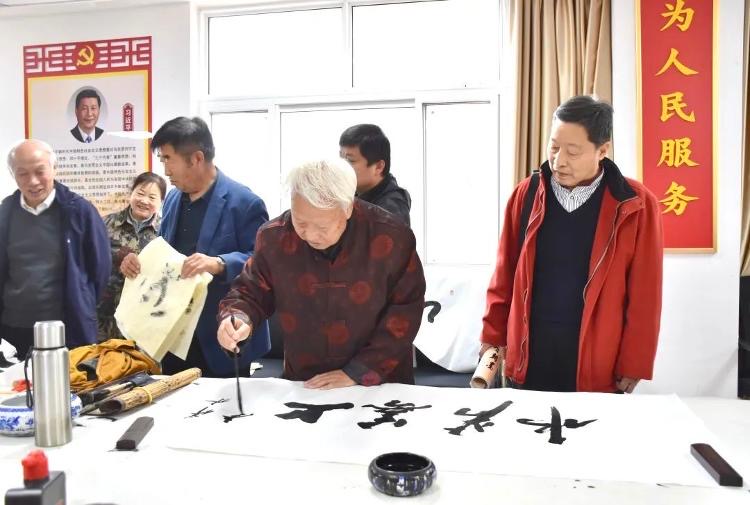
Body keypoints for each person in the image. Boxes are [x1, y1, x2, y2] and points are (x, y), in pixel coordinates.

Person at [480, 95, 663, 393]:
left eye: (573, 152)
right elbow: (504, 274)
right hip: (530, 353)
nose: (559, 161)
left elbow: (645, 293)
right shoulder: (526, 195)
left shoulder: (635, 204)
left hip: (597, 360)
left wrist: (635, 361)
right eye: (554, 147)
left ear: (602, 150)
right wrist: (492, 336)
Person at [217, 159, 426, 390]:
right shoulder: (274, 237)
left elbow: (405, 312)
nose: (310, 235)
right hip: (306, 380)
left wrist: (357, 372)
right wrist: (238, 318)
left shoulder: (391, 237)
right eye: (301, 222)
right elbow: (250, 291)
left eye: (322, 227)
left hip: (379, 381)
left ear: (348, 208)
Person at [120, 116, 270, 377]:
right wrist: (140, 262)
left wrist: (219, 263)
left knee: (222, 403)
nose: (166, 171)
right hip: (175, 334)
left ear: (197, 158)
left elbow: (262, 263)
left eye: (168, 159)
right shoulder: (173, 198)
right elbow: (166, 252)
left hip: (222, 335)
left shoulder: (245, 202)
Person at [0, 139, 111, 358]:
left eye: (40, 171)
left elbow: (100, 269)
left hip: (68, 328)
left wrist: (82, 302)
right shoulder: (5, 213)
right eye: (23, 174)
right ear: (13, 175)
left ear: (54, 168)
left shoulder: (80, 211)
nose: (33, 181)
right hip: (14, 327)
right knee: (15, 381)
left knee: (71, 379)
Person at [97, 172, 167, 342]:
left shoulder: (165, 230)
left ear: (161, 202)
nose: (144, 201)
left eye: (152, 197)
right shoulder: (106, 224)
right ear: (131, 193)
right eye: (140, 193)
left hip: (145, 318)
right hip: (106, 316)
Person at [339, 124, 411, 226]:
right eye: (341, 158)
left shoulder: (390, 210)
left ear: (378, 167)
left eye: (350, 160)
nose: (341, 166)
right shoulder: (352, 190)